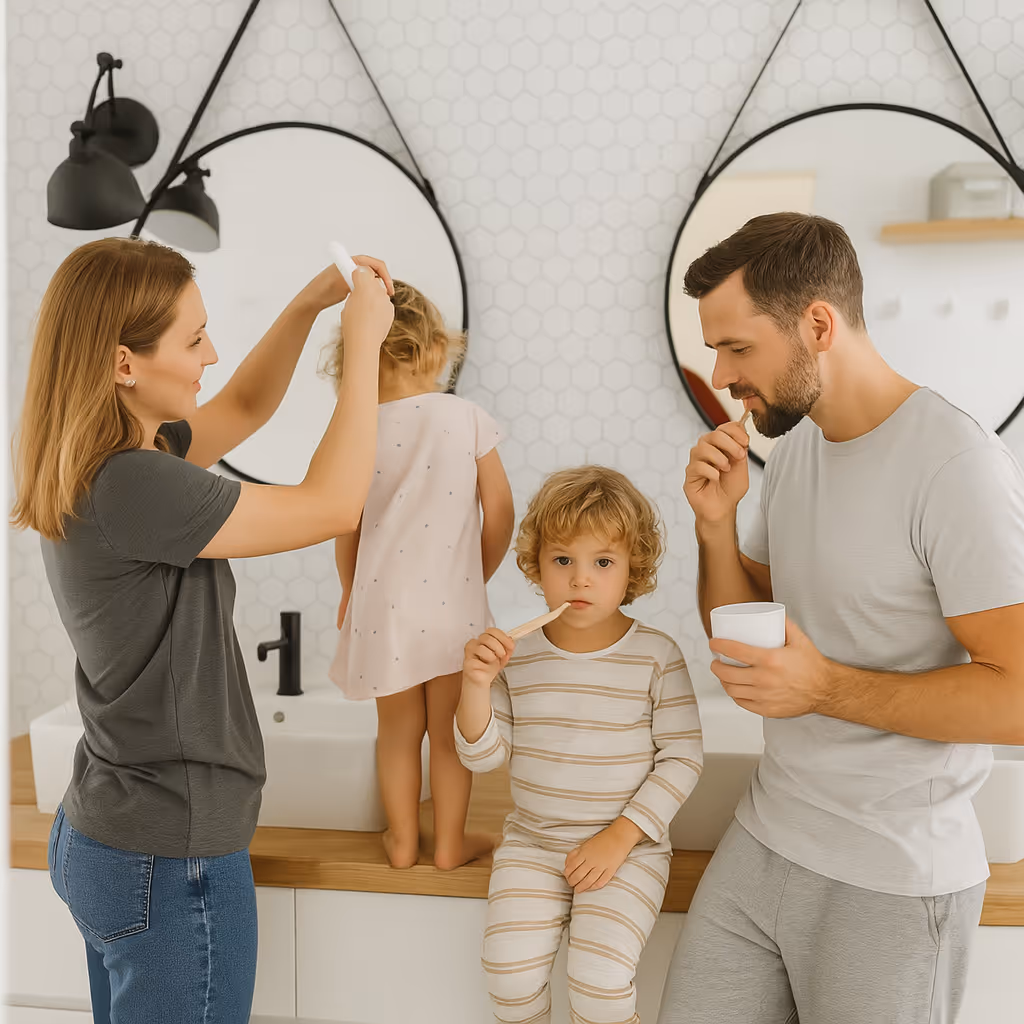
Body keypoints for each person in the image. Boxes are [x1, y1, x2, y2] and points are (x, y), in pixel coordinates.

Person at [11, 237, 396, 1024]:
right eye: (193, 340)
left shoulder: (112, 462)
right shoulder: (136, 485)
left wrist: (307, 305)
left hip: (113, 836)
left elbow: (245, 409)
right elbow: (334, 505)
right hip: (167, 854)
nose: (210, 355)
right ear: (124, 364)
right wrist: (363, 347)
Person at [660, 212, 1024, 1024]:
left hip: (893, 877)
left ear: (817, 324)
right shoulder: (797, 453)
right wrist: (714, 528)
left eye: (737, 347)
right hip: (767, 837)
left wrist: (823, 689)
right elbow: (744, 633)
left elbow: (1017, 697)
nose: (719, 374)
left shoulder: (955, 466)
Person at [456, 466, 703, 1024]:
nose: (581, 579)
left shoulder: (656, 656)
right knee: (509, 977)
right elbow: (482, 755)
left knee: (600, 983)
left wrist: (620, 838)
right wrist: (474, 684)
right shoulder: (516, 658)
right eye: (563, 560)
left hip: (629, 851)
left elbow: (683, 758)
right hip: (532, 845)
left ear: (632, 569)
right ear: (537, 564)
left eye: (603, 562)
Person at [326, 279, 515, 870]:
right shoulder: (466, 417)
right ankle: (450, 845)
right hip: (453, 609)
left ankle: (403, 842)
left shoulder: (356, 425)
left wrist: (349, 591)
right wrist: (475, 574)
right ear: (435, 348)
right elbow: (502, 510)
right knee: (452, 731)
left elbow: (344, 524)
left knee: (398, 732)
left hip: (384, 608)